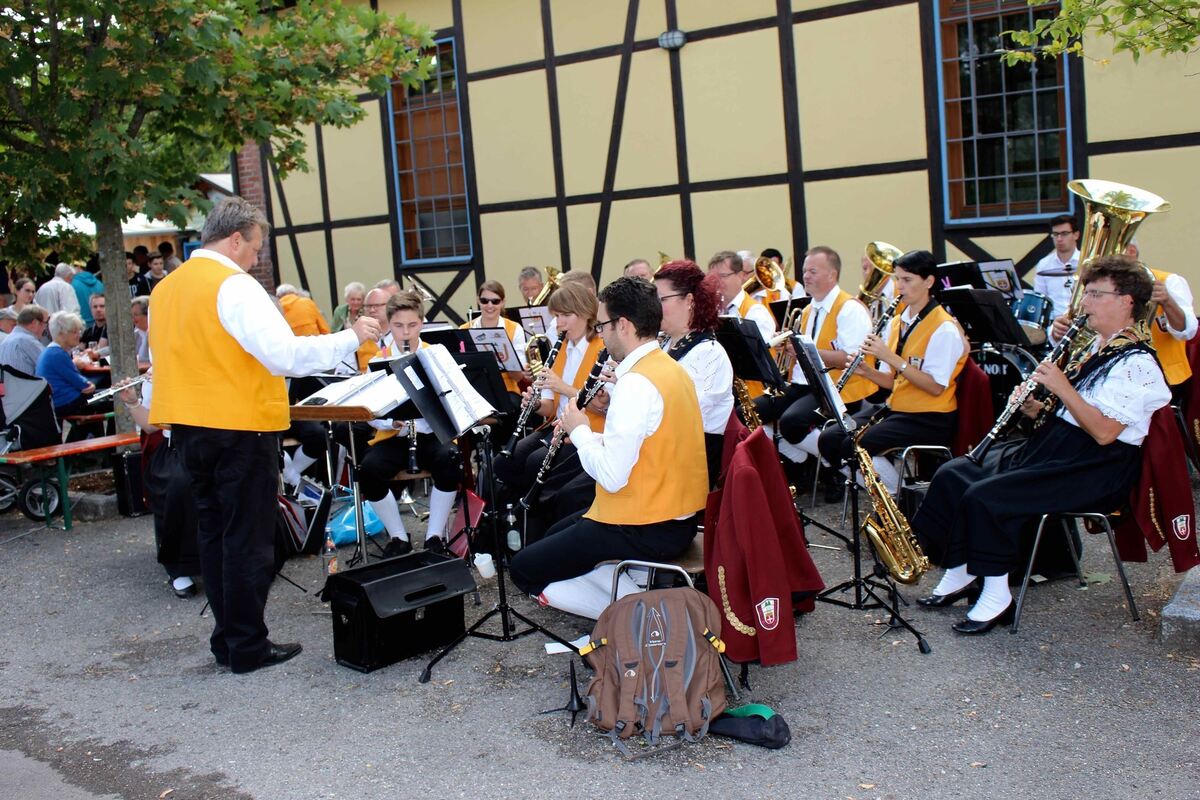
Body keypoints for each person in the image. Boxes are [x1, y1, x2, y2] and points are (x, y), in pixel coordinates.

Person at [148, 195, 381, 675]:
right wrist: (350, 337)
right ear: (236, 239)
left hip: (188, 427)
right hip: (239, 426)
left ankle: (229, 639)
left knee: (214, 535)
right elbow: (284, 355)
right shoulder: (233, 285)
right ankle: (247, 644)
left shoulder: (166, 289)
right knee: (249, 540)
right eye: (255, 249)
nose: (255, 260)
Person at [912, 256, 1170, 635]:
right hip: (1057, 448)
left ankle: (997, 596)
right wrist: (1034, 407)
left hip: (1094, 466)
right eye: (1087, 293)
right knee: (955, 474)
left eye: (1095, 294)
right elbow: (1069, 415)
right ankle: (960, 569)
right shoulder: (1097, 347)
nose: (1085, 303)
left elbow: (1103, 432)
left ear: (1126, 301)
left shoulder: (1137, 363)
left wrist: (1062, 387)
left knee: (988, 496)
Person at [509, 277, 709, 597]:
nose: (599, 333)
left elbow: (612, 478)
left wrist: (580, 430)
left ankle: (636, 608)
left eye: (602, 325)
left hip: (645, 524)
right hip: (676, 517)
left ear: (623, 325)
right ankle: (630, 593)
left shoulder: (635, 382)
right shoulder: (669, 367)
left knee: (523, 569)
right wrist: (594, 437)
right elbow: (653, 441)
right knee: (556, 532)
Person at [818, 250, 967, 495]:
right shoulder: (897, 321)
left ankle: (899, 498)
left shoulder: (944, 328)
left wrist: (890, 357)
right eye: (897, 279)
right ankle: (892, 493)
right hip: (898, 407)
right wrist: (866, 372)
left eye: (907, 280)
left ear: (929, 281)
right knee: (829, 440)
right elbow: (891, 381)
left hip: (930, 416)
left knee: (857, 445)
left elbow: (935, 387)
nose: (899, 286)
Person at [355, 291, 463, 558]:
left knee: (450, 460)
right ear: (389, 324)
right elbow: (369, 411)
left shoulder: (435, 355)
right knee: (369, 470)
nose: (405, 333)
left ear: (422, 323)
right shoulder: (377, 360)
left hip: (431, 433)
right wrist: (390, 422)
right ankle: (398, 537)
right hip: (394, 435)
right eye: (398, 326)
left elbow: (455, 400)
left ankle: (434, 536)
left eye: (412, 325)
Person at [754, 246, 874, 463]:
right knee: (751, 411)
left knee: (792, 422)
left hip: (836, 388)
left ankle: (840, 462)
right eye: (804, 271)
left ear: (832, 275)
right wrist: (786, 346)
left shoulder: (850, 309)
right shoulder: (808, 310)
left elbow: (851, 359)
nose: (805, 276)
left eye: (813, 271)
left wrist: (801, 350)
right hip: (804, 384)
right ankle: (804, 460)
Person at [653, 261, 733, 486]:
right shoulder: (664, 343)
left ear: (689, 300)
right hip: (662, 450)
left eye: (662, 300)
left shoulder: (709, 354)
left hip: (687, 463)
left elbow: (684, 416)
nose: (654, 308)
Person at [459, 280, 527, 401]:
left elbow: (518, 377)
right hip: (475, 391)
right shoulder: (464, 329)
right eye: (484, 301)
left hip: (508, 390)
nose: (490, 305)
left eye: (495, 301)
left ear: (503, 302)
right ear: (478, 301)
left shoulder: (515, 328)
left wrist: (507, 359)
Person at [35, 311, 97, 417]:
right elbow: (83, 385)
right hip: (65, 403)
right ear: (61, 334)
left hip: (58, 402)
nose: (79, 335)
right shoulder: (57, 354)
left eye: (79, 331)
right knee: (114, 398)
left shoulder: (51, 351)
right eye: (74, 332)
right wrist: (91, 385)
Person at [708, 250, 774, 343]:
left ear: (740, 275)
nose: (716, 281)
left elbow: (757, 349)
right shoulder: (712, 308)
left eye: (723, 276)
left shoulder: (756, 312)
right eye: (713, 276)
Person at [1033, 214, 1081, 320]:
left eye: (1064, 234)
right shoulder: (1044, 265)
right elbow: (1040, 299)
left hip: (1081, 321)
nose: (1059, 239)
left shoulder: (1085, 263)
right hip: (1053, 323)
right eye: (1055, 234)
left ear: (1076, 235)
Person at [0, 305, 48, 375]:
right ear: (34, 323)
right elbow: (52, 366)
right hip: (27, 382)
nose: (45, 328)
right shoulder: (27, 341)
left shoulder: (6, 340)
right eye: (45, 323)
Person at [72, 258, 104, 325]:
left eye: (73, 267)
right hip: (99, 323)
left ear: (78, 267)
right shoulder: (99, 283)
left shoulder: (72, 284)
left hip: (81, 324)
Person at [131, 296, 151, 370]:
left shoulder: (158, 335)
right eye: (131, 315)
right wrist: (99, 353)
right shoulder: (136, 334)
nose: (132, 319)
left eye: (136, 315)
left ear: (147, 315)